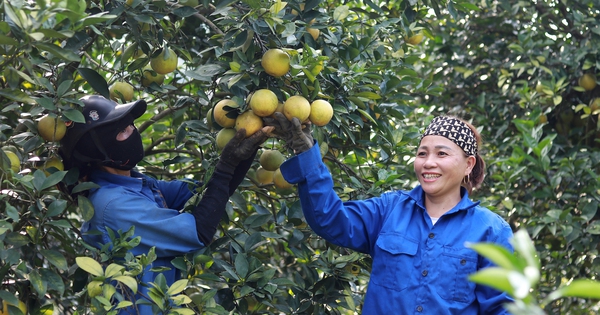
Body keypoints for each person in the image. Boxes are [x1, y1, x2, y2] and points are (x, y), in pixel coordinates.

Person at [267, 113, 514, 314]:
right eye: (422, 153)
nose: (428, 163)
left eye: (441, 154)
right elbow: (330, 219)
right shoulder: (389, 210)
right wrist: (307, 154)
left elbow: (501, 309)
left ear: (468, 164)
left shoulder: (491, 230)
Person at [59, 95, 271, 314]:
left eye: (131, 125)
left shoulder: (133, 184)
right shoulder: (113, 205)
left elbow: (206, 192)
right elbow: (199, 231)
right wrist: (227, 165)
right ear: (97, 151)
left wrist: (247, 147)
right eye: (122, 131)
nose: (133, 132)